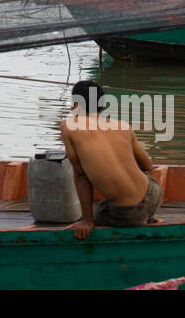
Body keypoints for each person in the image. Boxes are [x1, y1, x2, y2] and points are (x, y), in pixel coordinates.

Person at [60, 80, 161, 240]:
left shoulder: (69, 127)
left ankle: (135, 214)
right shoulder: (122, 126)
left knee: (95, 211)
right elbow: (148, 166)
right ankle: (147, 215)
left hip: (128, 214)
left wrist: (87, 220)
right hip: (154, 195)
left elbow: (81, 176)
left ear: (75, 104)